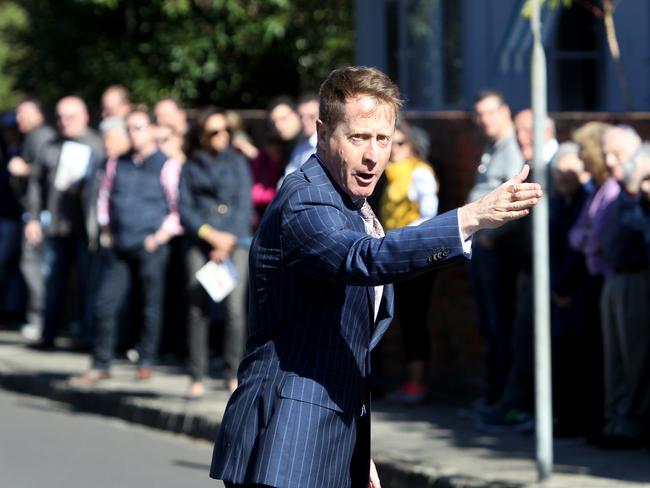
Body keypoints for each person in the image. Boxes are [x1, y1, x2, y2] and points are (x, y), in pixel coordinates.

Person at [209, 66, 542, 488]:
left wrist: (355, 451)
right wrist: (469, 219)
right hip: (286, 442)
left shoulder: (348, 200)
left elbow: (342, 342)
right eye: (358, 137)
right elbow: (361, 259)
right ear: (322, 132)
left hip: (325, 437)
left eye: (382, 139)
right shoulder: (307, 196)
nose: (372, 155)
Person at [72, 108, 182, 384]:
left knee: (150, 305)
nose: (133, 134)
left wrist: (160, 236)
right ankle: (101, 363)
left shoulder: (167, 164)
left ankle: (146, 361)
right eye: (129, 128)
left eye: (139, 127)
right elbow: (105, 198)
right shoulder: (116, 162)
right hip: (119, 243)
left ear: (152, 130)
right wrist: (106, 229)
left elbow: (177, 207)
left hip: (150, 244)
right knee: (105, 303)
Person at [179, 106, 253, 399]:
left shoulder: (238, 162)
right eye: (214, 132)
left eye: (226, 130)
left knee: (235, 308)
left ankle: (233, 372)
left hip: (235, 240)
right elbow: (185, 209)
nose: (222, 136)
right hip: (201, 239)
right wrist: (210, 235)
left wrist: (227, 240)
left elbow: (244, 204)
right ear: (201, 137)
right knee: (197, 304)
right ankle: (196, 374)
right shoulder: (190, 166)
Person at [25, 96, 105, 349]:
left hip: (86, 228)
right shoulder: (50, 146)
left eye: (70, 117)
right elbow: (36, 185)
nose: (64, 122)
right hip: (57, 226)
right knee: (53, 282)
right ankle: (49, 334)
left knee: (87, 283)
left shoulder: (97, 145)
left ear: (84, 117)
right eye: (60, 117)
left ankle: (87, 336)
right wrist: (34, 218)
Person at [467, 90, 524, 411]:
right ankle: (493, 393)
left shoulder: (512, 149)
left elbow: (516, 200)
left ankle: (502, 397)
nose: (485, 120)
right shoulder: (492, 147)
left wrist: (493, 236)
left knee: (500, 323)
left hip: (497, 250)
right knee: (487, 323)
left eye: (490, 113)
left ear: (505, 112)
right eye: (480, 115)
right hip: (482, 248)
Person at [379, 120, 439, 404]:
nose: (394, 150)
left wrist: (404, 239)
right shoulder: (390, 174)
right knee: (402, 317)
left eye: (400, 143)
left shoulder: (420, 173)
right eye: (390, 143)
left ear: (413, 145)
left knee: (414, 318)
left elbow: (428, 215)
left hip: (413, 254)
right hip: (395, 251)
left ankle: (418, 384)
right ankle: (408, 381)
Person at [598, 126, 650, 448]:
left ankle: (632, 425)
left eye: (617, 154)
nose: (608, 160)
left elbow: (636, 234)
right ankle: (616, 420)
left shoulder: (637, 190)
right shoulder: (618, 188)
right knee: (615, 358)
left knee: (636, 358)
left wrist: (634, 187)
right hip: (614, 276)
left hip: (636, 276)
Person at [6, 99, 56, 336]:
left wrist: (24, 170)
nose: (19, 119)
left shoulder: (40, 137)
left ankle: (40, 318)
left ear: (38, 114)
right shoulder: (32, 137)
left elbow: (46, 174)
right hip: (35, 213)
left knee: (34, 266)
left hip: (40, 215)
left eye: (24, 113)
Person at [279, 92, 320, 180]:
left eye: (311, 116)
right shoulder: (300, 144)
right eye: (301, 116)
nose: (304, 121)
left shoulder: (325, 147)